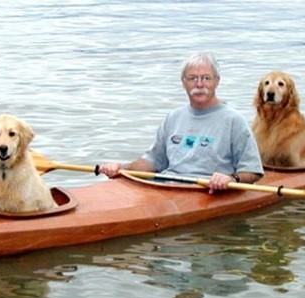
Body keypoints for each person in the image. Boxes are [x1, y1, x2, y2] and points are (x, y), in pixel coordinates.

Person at [98, 52, 264, 194]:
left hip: (206, 191)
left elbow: (253, 171)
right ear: (184, 82)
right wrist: (121, 168)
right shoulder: (173, 118)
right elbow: (153, 162)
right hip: (167, 187)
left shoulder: (234, 121)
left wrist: (231, 178)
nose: (199, 84)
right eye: (193, 78)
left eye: (206, 78)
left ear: (217, 81)